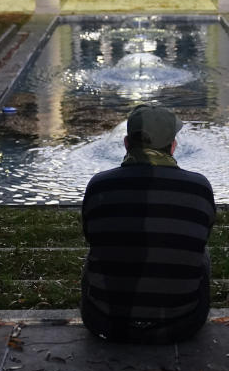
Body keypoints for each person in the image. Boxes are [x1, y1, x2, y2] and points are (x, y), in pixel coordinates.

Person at [80, 104, 216, 344]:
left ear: (126, 144)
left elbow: (92, 237)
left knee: (97, 252)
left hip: (105, 321)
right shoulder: (199, 188)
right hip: (181, 323)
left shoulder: (99, 186)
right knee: (201, 254)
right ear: (173, 146)